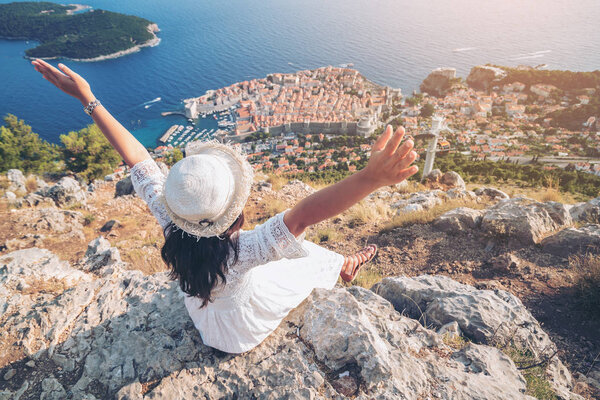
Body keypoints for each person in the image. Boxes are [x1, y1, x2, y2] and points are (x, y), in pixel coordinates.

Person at [31, 59, 418, 353]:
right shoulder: (246, 250)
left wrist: (88, 99)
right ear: (233, 208)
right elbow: (306, 214)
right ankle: (345, 264)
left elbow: (136, 158)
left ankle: (342, 264)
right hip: (239, 333)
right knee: (304, 255)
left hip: (204, 316)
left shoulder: (171, 219)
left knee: (295, 251)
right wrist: (371, 178)